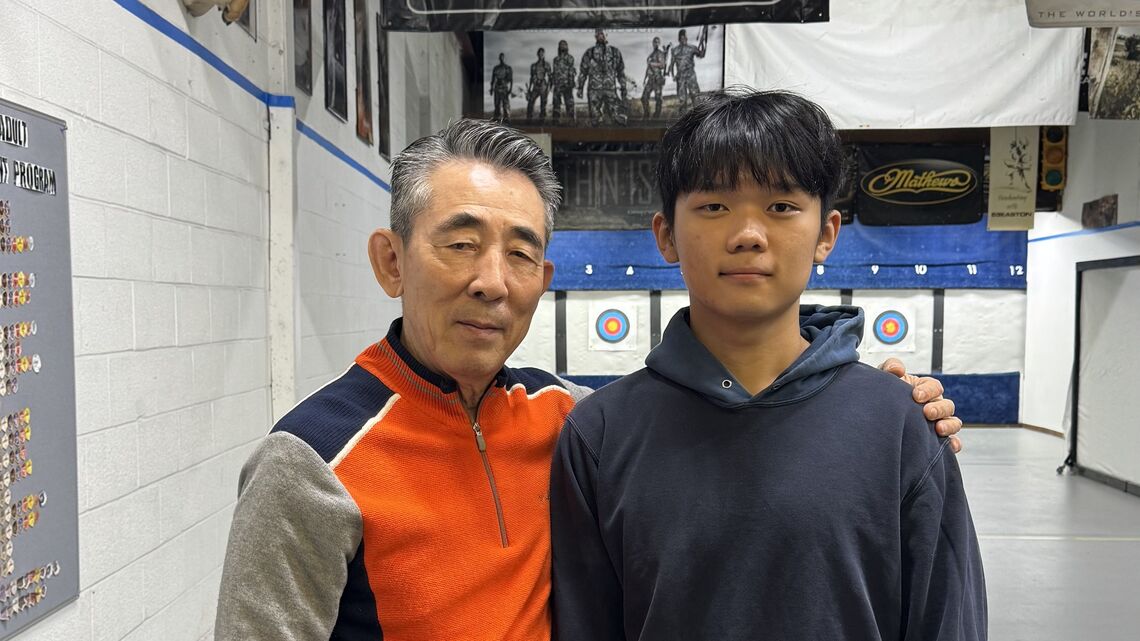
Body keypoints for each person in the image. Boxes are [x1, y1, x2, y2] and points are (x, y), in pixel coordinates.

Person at [214, 118, 964, 640]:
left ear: (542, 279)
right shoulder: (311, 462)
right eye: (461, 242)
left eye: (518, 254)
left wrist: (873, 405)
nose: (489, 281)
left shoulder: (568, 416)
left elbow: (711, 419)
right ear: (390, 260)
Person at [550, 91, 987, 640]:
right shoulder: (600, 434)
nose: (748, 235)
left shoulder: (903, 426)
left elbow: (946, 620)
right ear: (666, 235)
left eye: (781, 207)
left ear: (826, 234)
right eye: (714, 206)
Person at [578, 29, 628, 126]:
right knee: (595, 120)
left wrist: (623, 87)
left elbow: (620, 72)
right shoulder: (590, 52)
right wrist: (580, 88)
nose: (601, 35)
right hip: (594, 91)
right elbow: (583, 72)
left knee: (618, 118)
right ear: (595, 36)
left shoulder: (615, 52)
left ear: (607, 35)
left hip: (610, 90)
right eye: (598, 34)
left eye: (602, 33)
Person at [668, 27, 706, 111]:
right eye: (682, 37)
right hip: (680, 76)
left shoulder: (692, 48)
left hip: (690, 75)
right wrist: (673, 75)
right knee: (682, 99)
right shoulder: (675, 50)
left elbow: (701, 55)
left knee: (695, 96)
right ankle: (683, 119)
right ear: (679, 39)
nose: (684, 39)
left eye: (685, 37)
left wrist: (703, 42)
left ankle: (698, 117)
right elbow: (671, 64)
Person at [641, 36, 669, 120]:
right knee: (644, 97)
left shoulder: (660, 53)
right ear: (652, 43)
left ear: (659, 43)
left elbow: (662, 65)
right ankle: (646, 113)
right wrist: (644, 78)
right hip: (650, 79)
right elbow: (648, 68)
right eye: (654, 42)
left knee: (658, 98)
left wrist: (652, 64)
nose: (656, 43)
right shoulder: (651, 55)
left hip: (657, 79)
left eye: (657, 42)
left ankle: (656, 116)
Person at [551, 40, 577, 123]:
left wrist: (571, 83)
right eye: (561, 45)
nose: (562, 46)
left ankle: (571, 122)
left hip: (567, 84)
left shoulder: (570, 58)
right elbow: (554, 72)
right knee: (556, 105)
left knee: (569, 104)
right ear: (559, 47)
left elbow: (572, 71)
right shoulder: (555, 59)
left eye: (564, 45)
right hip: (557, 85)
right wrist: (553, 83)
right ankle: (555, 122)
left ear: (566, 47)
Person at [527, 47, 553, 121]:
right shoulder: (533, 66)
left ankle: (542, 120)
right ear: (537, 54)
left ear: (544, 54)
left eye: (542, 53)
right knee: (530, 102)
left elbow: (550, 77)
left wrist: (549, 88)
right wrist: (529, 89)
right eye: (540, 53)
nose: (541, 55)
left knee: (543, 104)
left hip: (543, 86)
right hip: (535, 85)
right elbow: (531, 78)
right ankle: (529, 119)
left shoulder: (546, 64)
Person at [491, 52, 513, 122]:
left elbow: (511, 79)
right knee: (497, 103)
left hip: (504, 87)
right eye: (500, 57)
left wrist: (510, 89)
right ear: (499, 58)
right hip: (497, 87)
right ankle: (497, 117)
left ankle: (507, 117)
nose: (501, 58)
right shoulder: (496, 68)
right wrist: (492, 88)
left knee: (505, 103)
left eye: (502, 57)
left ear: (504, 58)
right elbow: (493, 79)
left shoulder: (507, 68)